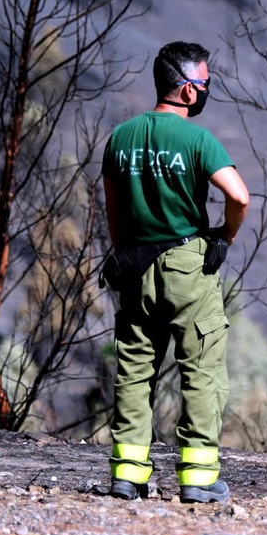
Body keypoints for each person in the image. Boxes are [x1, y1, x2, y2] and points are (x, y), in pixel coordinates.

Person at [100, 41, 250, 503]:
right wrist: (225, 234)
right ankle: (198, 480)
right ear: (187, 91)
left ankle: (128, 474)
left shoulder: (120, 137)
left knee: (134, 369)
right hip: (189, 263)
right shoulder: (198, 140)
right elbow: (239, 195)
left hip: (136, 263)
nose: (205, 93)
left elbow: (112, 207)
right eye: (203, 85)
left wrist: (125, 253)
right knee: (201, 370)